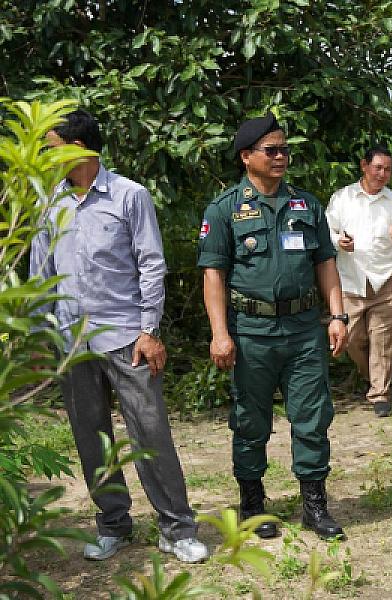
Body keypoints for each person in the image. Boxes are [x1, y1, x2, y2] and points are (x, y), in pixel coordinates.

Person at [30, 110, 208, 563]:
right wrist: (39, 338)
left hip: (127, 338)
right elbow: (40, 275)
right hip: (73, 342)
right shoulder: (50, 204)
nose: (45, 156)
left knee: (150, 434)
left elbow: (151, 264)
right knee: (91, 437)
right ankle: (113, 524)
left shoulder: (130, 196)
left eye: (50, 146)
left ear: (78, 147)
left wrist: (149, 330)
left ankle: (177, 528)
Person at [198, 112, 348, 540]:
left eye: (285, 149)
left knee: (312, 417)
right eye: (272, 150)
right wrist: (220, 333)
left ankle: (315, 505)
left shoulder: (307, 204)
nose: (281, 157)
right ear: (247, 156)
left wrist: (336, 315)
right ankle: (252, 504)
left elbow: (325, 263)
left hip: (303, 330)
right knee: (250, 420)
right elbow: (214, 275)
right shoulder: (225, 208)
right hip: (251, 332)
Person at [326, 146, 392, 417]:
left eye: (387, 169)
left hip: (384, 279)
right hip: (351, 280)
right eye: (377, 168)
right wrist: (338, 242)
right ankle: (371, 376)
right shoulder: (343, 198)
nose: (382, 174)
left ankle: (380, 394)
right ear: (364, 166)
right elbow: (327, 231)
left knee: (383, 339)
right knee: (352, 338)